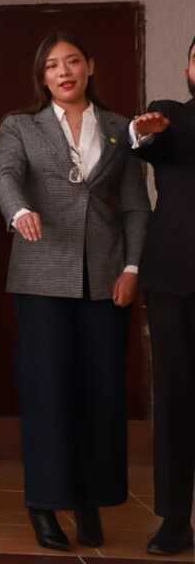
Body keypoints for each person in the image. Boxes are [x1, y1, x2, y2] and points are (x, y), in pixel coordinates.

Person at [0, 34, 149, 552]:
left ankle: (90, 499)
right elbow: (6, 175)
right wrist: (18, 211)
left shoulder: (119, 127)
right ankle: (43, 502)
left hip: (105, 276)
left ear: (90, 67)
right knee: (47, 392)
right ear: (42, 77)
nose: (64, 72)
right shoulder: (20, 126)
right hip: (41, 276)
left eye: (73, 62)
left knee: (102, 393)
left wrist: (131, 266)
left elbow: (133, 206)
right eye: (53, 66)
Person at [128, 36, 195, 557]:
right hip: (176, 278)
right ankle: (174, 520)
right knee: (174, 398)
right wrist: (139, 133)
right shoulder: (173, 117)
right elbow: (148, 139)